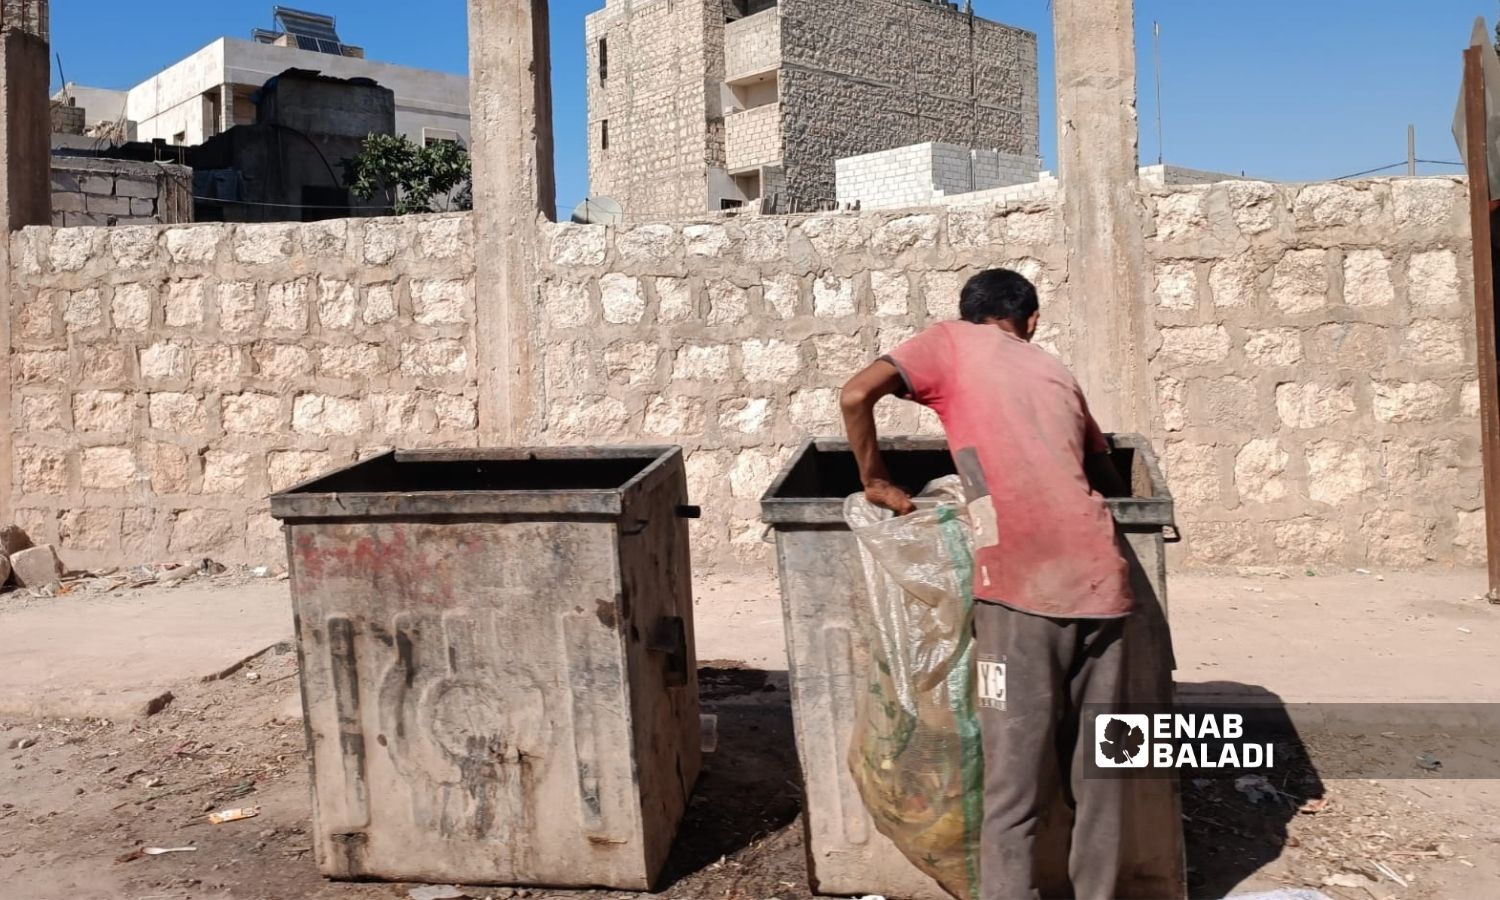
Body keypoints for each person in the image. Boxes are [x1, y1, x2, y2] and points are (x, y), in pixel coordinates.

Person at [839, 268, 1134, 900]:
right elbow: (1108, 477)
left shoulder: (950, 341)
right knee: (1105, 779)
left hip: (1021, 590)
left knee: (1012, 788)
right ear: (1030, 320)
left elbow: (855, 394)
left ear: (973, 314)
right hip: (1106, 586)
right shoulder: (1056, 370)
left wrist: (875, 480)